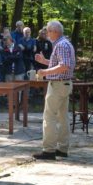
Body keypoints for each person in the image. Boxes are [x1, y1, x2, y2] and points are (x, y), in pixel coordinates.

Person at [34, 20, 76, 161]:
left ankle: (49, 150)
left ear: (54, 31)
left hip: (57, 85)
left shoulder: (61, 45)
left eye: (48, 31)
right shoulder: (64, 43)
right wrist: (45, 61)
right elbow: (61, 64)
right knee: (63, 117)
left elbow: (64, 66)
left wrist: (44, 72)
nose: (46, 34)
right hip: (64, 84)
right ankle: (62, 148)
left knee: (49, 117)